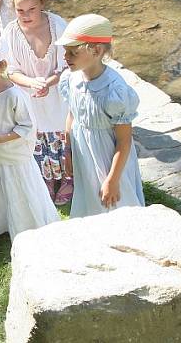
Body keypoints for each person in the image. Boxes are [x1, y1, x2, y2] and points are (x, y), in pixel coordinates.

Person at [0, 35, 60, 240]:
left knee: (22, 192)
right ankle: (9, 223)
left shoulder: (14, 96)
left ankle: (31, 227)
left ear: (1, 66)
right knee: (4, 190)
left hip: (15, 157)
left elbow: (27, 126)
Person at [57, 14, 145, 217]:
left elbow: (124, 142)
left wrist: (113, 180)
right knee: (91, 198)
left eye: (73, 52)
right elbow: (72, 116)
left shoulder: (114, 91)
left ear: (96, 50)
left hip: (109, 159)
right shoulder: (71, 80)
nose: (66, 57)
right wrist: (68, 151)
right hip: (83, 153)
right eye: (65, 51)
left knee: (115, 203)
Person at [3, 0, 73, 205]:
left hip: (57, 96)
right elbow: (10, 70)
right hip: (28, 96)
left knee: (61, 133)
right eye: (19, 10)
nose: (25, 15)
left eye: (31, 9)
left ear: (42, 2)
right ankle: (46, 178)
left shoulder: (58, 25)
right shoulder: (11, 32)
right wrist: (32, 83)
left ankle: (67, 177)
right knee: (37, 135)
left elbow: (68, 65)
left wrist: (48, 82)